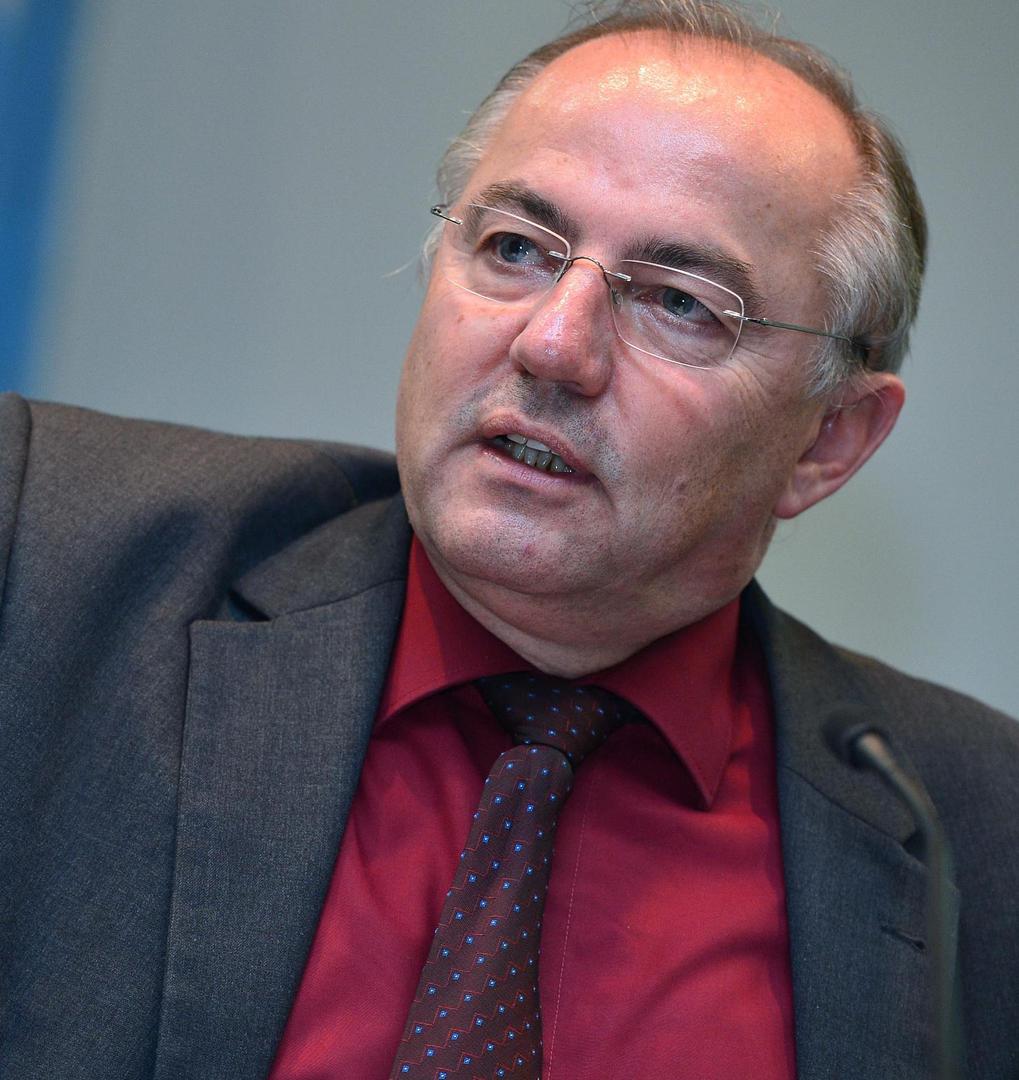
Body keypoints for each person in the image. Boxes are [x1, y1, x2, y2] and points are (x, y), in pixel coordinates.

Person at [1, 2, 1016, 1078]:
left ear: (826, 440)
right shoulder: (46, 554)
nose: (553, 344)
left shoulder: (971, 838)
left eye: (679, 303)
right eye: (516, 248)